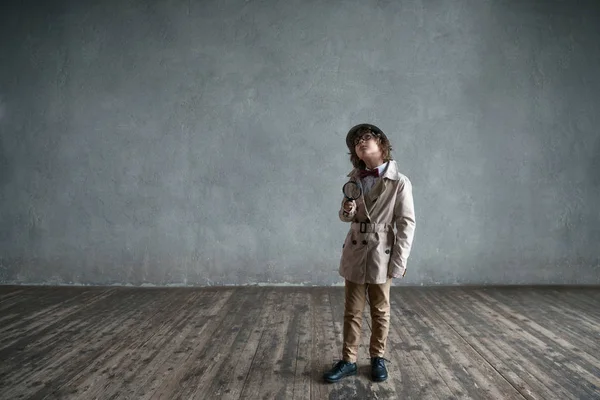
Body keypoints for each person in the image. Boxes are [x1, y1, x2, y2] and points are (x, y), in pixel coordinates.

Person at [323, 123, 416, 383]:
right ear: (356, 154)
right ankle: (348, 360)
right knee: (352, 310)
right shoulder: (354, 179)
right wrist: (348, 208)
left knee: (380, 309)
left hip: (381, 252)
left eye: (366, 137)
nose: (361, 142)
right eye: (356, 142)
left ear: (381, 144)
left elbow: (406, 224)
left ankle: (377, 358)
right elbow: (344, 217)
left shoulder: (399, 182)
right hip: (355, 249)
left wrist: (399, 262)